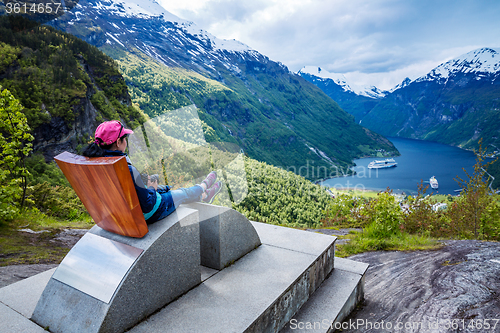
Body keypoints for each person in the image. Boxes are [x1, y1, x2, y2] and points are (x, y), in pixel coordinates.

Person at [82, 120, 222, 224]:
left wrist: (144, 183)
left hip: (117, 214)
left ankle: (203, 195)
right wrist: (151, 188)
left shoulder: (95, 162)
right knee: (182, 193)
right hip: (147, 213)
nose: (126, 142)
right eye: (125, 138)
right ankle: (203, 187)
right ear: (118, 142)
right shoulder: (124, 167)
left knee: (166, 189)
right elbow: (148, 205)